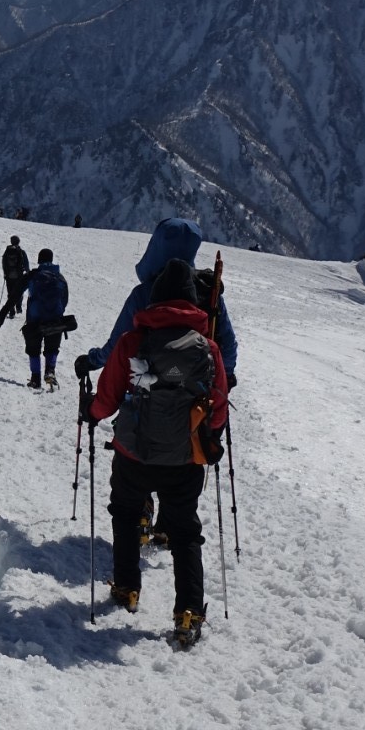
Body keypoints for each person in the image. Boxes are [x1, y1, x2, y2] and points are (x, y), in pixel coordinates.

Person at [80, 254, 228, 646]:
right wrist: (210, 440)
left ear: (155, 299)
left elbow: (108, 399)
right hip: (183, 459)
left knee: (127, 516)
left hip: (133, 455)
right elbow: (218, 406)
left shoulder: (133, 341)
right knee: (184, 532)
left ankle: (127, 588)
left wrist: (89, 412)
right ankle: (188, 612)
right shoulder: (207, 348)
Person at [84, 218, 238, 387]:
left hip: (150, 391)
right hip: (198, 394)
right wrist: (226, 376)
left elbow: (118, 343)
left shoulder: (143, 294)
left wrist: (94, 360)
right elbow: (227, 343)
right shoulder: (209, 292)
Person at [23, 248, 69, 390]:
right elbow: (65, 299)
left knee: (33, 350)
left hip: (34, 320)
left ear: (39, 260)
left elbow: (20, 290)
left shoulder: (34, 275)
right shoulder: (59, 277)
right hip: (55, 319)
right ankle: (50, 372)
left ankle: (35, 379)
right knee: (52, 348)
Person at [0, 234, 29, 323]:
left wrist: (5, 273)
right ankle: (18, 306)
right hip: (19, 276)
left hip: (9, 276)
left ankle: (11, 311)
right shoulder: (21, 252)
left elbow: (4, 262)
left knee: (10, 293)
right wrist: (27, 272)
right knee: (19, 291)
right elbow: (26, 264)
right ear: (18, 242)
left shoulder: (7, 251)